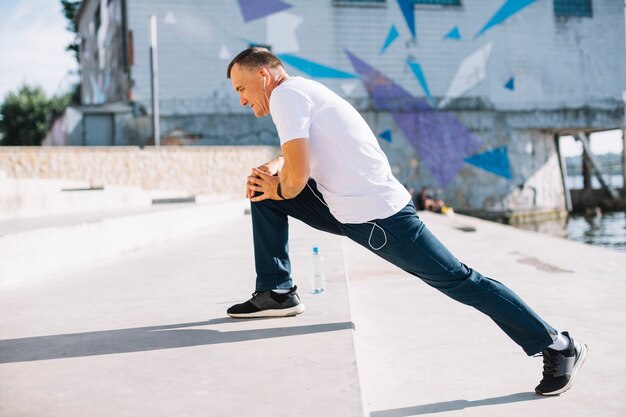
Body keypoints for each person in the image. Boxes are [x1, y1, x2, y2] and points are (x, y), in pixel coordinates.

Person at [225, 47, 587, 396]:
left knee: (461, 281)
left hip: (383, 220)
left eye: (241, 89)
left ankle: (558, 344)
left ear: (263, 75)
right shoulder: (299, 91)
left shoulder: (286, 97)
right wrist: (274, 169)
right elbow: (300, 155)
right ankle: (277, 291)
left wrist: (280, 182)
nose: (241, 100)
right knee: (263, 190)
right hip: (345, 209)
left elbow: (296, 181)